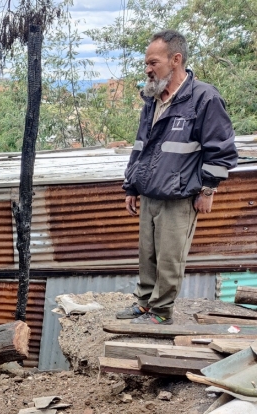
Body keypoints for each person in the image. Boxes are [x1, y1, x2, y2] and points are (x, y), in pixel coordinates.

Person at [117, 30, 238, 325]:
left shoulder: (203, 98)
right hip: (149, 191)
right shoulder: (153, 98)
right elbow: (140, 146)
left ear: (176, 60)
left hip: (180, 195)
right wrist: (131, 186)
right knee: (147, 255)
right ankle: (144, 303)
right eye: (146, 63)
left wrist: (208, 190)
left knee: (170, 258)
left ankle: (161, 312)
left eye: (153, 62)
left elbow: (221, 150)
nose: (147, 69)